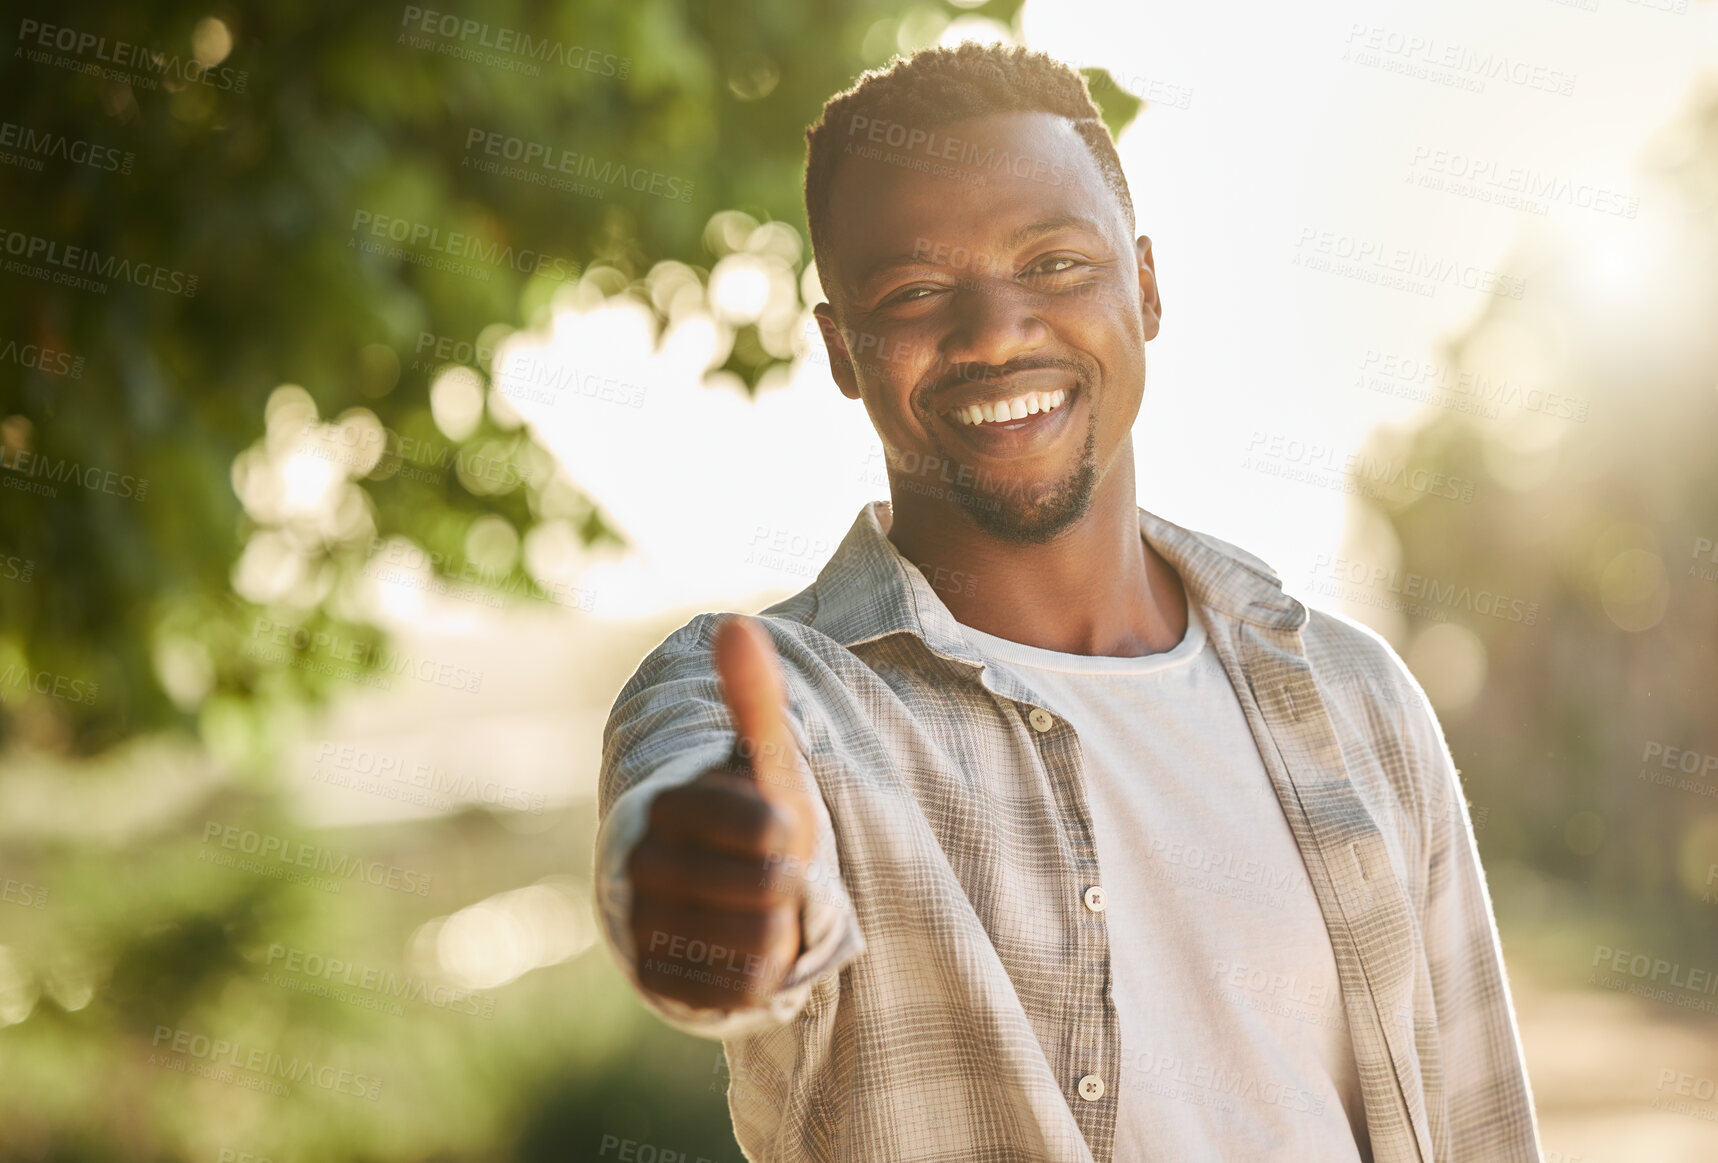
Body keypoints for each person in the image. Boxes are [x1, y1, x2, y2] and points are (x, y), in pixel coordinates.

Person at [593, 42, 1542, 1163]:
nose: (994, 331)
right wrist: (712, 914)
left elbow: (1479, 1124)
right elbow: (685, 843)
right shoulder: (769, 700)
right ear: (841, 349)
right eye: (913, 290)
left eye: (1051, 263)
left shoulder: (1354, 695)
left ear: (1143, 286)